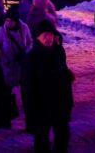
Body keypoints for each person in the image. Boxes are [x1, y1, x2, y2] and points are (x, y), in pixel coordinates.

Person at [21, 21, 74, 153]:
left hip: (60, 104)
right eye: (44, 35)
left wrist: (68, 102)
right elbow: (27, 88)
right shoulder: (32, 57)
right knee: (42, 139)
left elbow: (64, 77)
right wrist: (31, 113)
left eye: (50, 35)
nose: (48, 38)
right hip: (42, 106)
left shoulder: (59, 52)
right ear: (37, 37)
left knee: (62, 136)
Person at [0, 6, 32, 89]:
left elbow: (30, 42)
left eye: (11, 21)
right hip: (8, 67)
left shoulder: (24, 28)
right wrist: (5, 60)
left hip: (21, 65)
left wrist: (25, 53)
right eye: (7, 20)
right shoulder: (1, 32)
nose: (8, 23)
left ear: (16, 20)